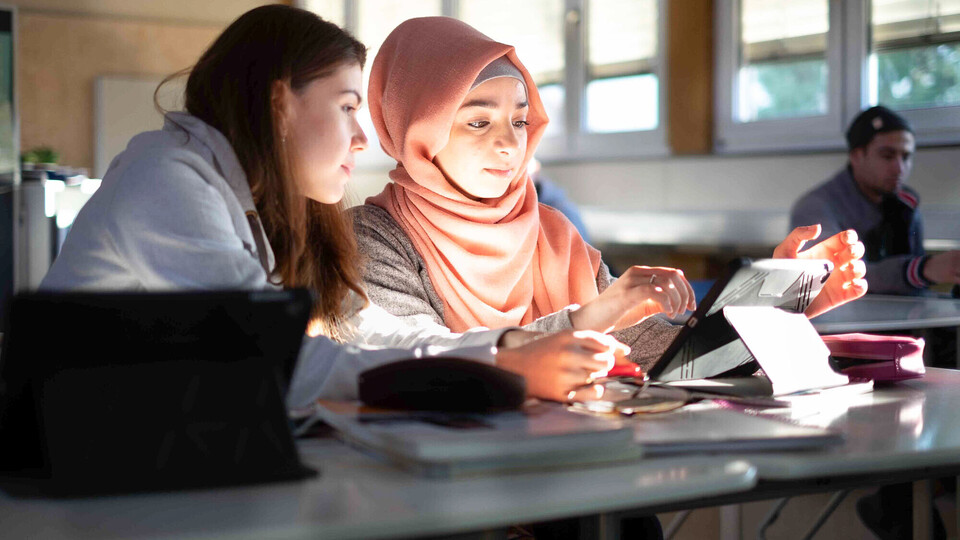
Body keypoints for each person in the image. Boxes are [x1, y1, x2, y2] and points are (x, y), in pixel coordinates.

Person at [38, 5, 629, 408]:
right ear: (280, 105)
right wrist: (498, 368)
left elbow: (377, 336)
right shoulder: (165, 177)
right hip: (82, 482)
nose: (362, 137)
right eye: (347, 107)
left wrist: (507, 350)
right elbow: (271, 362)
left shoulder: (258, 208)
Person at [353, 16, 868, 372]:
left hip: (578, 470)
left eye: (519, 119)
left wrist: (776, 306)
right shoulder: (372, 238)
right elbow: (421, 365)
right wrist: (592, 316)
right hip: (458, 498)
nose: (510, 143)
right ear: (417, 128)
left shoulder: (550, 233)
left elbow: (656, 357)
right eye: (478, 120)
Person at [791, 105, 960, 295]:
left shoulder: (906, 203)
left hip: (904, 320)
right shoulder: (815, 207)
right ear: (856, 156)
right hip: (846, 322)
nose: (899, 169)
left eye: (906, 157)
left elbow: (917, 291)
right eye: (887, 156)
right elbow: (840, 278)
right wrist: (922, 269)